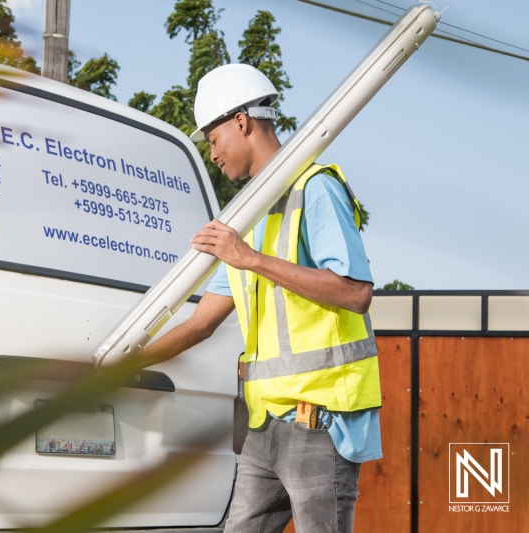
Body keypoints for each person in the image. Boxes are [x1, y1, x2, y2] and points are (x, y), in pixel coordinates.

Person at [139, 64, 383, 533]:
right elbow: (201, 323)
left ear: (241, 122)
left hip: (319, 423)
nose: (212, 153)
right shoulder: (246, 219)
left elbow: (355, 292)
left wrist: (249, 258)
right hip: (264, 426)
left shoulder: (316, 189)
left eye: (211, 139)